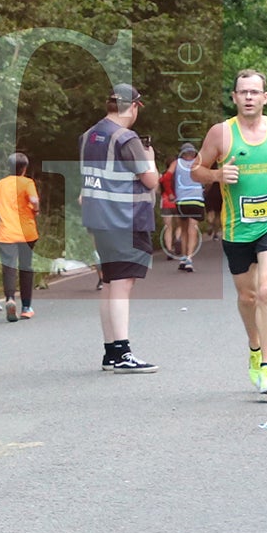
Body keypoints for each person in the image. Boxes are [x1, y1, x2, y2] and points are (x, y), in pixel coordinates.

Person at [192, 70, 267, 399]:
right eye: (243, 92)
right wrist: (216, 174)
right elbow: (195, 171)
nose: (249, 97)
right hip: (237, 226)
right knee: (248, 297)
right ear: (235, 97)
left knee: (266, 289)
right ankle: (254, 347)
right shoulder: (221, 133)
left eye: (255, 92)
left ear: (265, 97)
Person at [79, 84, 160, 373]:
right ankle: (124, 353)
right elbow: (151, 180)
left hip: (98, 217)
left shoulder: (88, 136)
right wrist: (151, 159)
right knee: (123, 284)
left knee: (111, 282)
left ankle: (111, 351)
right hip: (125, 218)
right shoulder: (127, 138)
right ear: (134, 106)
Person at [0, 152, 40, 321]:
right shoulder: (27, 182)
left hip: (6, 233)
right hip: (26, 232)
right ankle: (26, 307)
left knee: (8, 267)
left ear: (8, 167)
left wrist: (2, 209)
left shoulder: (0, 185)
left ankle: (10, 299)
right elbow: (33, 199)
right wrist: (36, 209)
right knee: (26, 267)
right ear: (24, 168)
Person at [172, 142, 205, 270]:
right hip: (196, 199)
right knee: (193, 229)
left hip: (181, 201)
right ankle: (189, 258)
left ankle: (183, 257)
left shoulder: (177, 163)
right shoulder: (198, 164)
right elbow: (207, 180)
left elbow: (167, 176)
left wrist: (170, 192)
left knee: (184, 230)